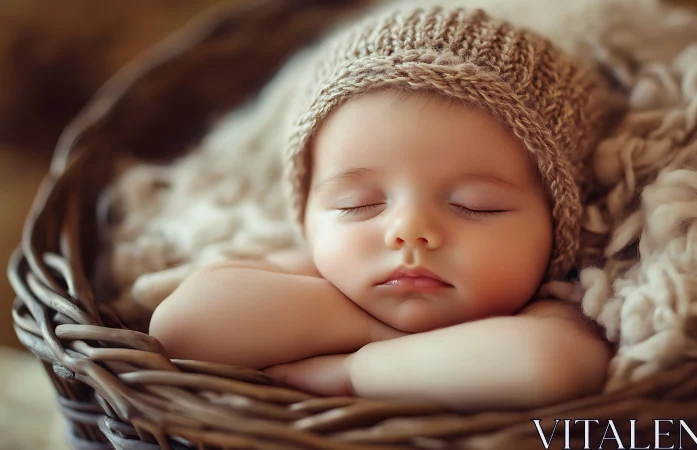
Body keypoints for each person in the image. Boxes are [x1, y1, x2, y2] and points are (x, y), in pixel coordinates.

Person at [149, 5, 614, 412]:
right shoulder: (319, 271)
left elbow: (549, 367)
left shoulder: (548, 306)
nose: (409, 232)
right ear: (307, 216)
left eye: (476, 206)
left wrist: (357, 369)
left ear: (558, 223)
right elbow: (182, 326)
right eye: (360, 205)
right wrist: (368, 327)